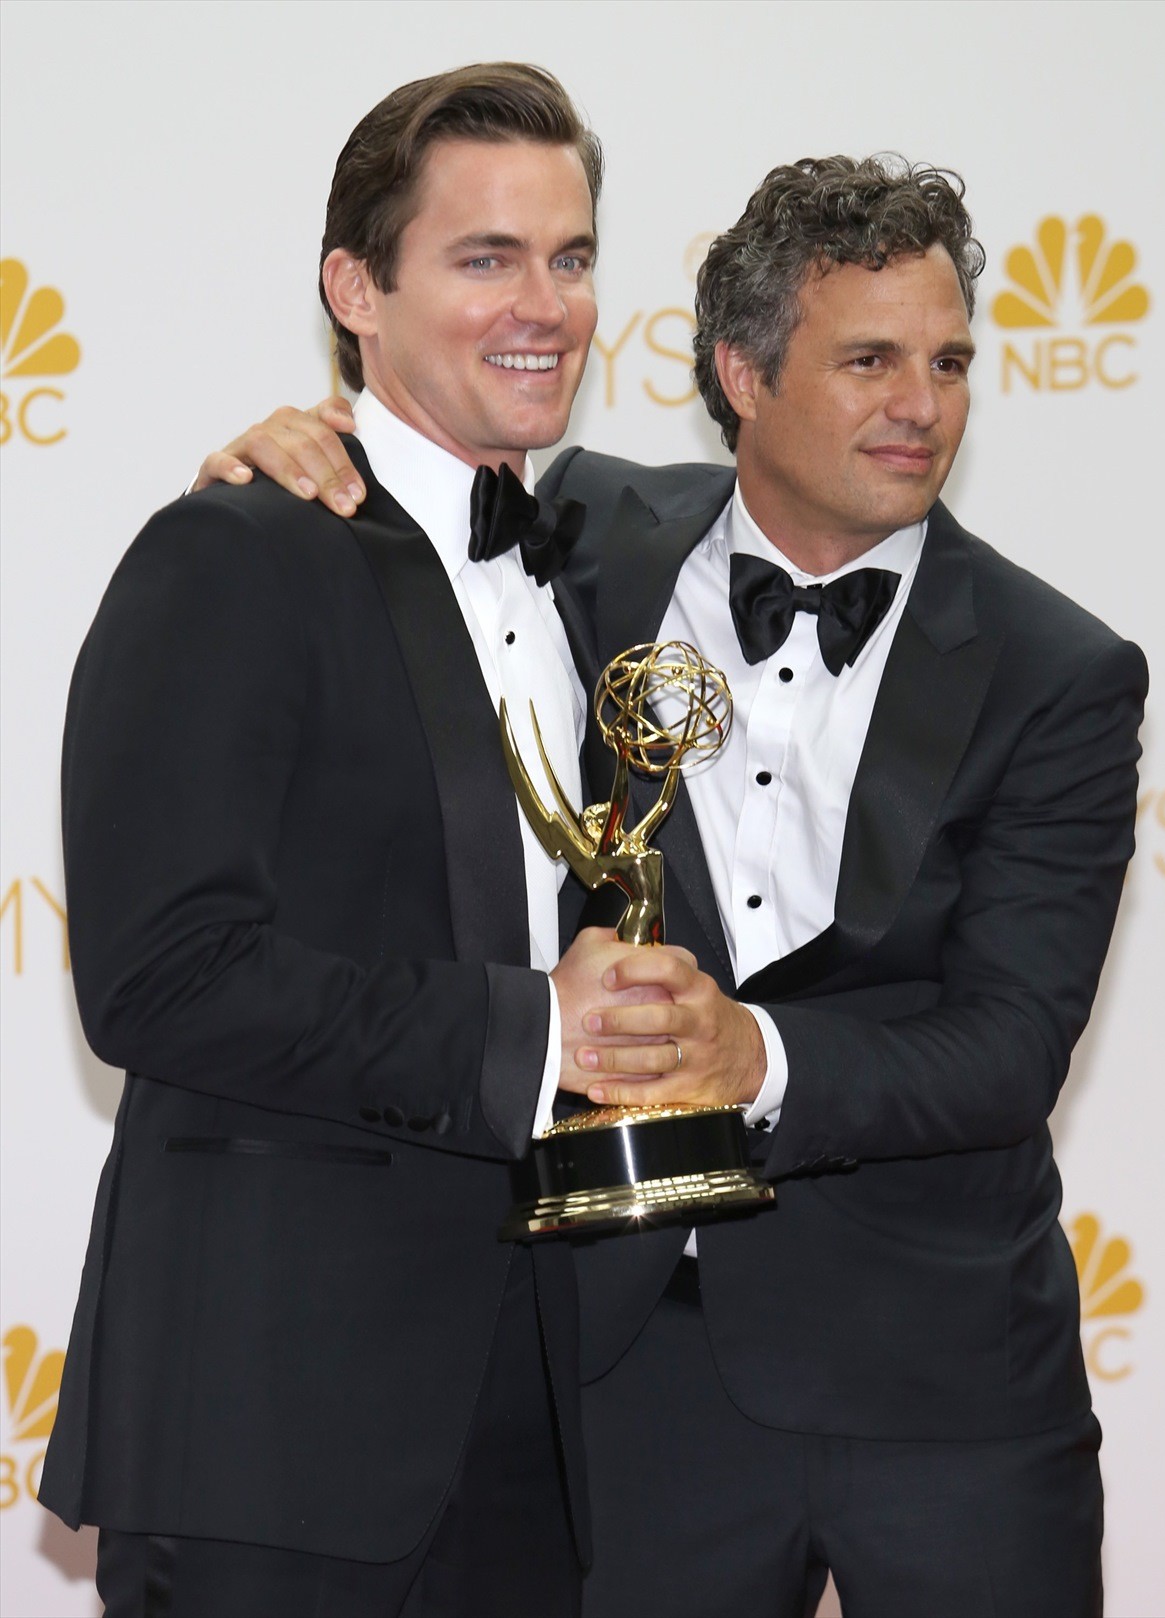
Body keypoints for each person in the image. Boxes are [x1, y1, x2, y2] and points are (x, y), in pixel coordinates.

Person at [195, 156, 1147, 1618]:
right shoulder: (580, 535)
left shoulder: (1060, 668)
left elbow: (1013, 1045)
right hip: (627, 1367)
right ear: (741, 375)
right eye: (870, 361)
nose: (923, 404)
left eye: (951, 362)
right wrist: (297, 459)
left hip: (945, 1378)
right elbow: (405, 505)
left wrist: (751, 1058)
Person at [38, 63, 688, 1618]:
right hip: (274, 1428)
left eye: (572, 256)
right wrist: (533, 1029)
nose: (546, 306)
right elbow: (158, 977)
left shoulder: (606, 563)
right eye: (485, 258)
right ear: (356, 289)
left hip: (540, 1421)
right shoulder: (232, 552)